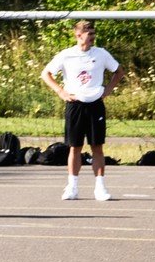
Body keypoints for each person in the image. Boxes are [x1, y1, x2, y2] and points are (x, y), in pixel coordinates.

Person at [43, 19, 121, 201]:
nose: (93, 37)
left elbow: (119, 71)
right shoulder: (66, 55)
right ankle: (72, 187)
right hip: (75, 105)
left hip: (95, 105)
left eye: (94, 34)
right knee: (75, 147)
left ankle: (100, 188)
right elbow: (46, 74)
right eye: (89, 34)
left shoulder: (101, 54)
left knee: (97, 147)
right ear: (78, 35)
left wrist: (107, 90)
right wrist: (60, 91)